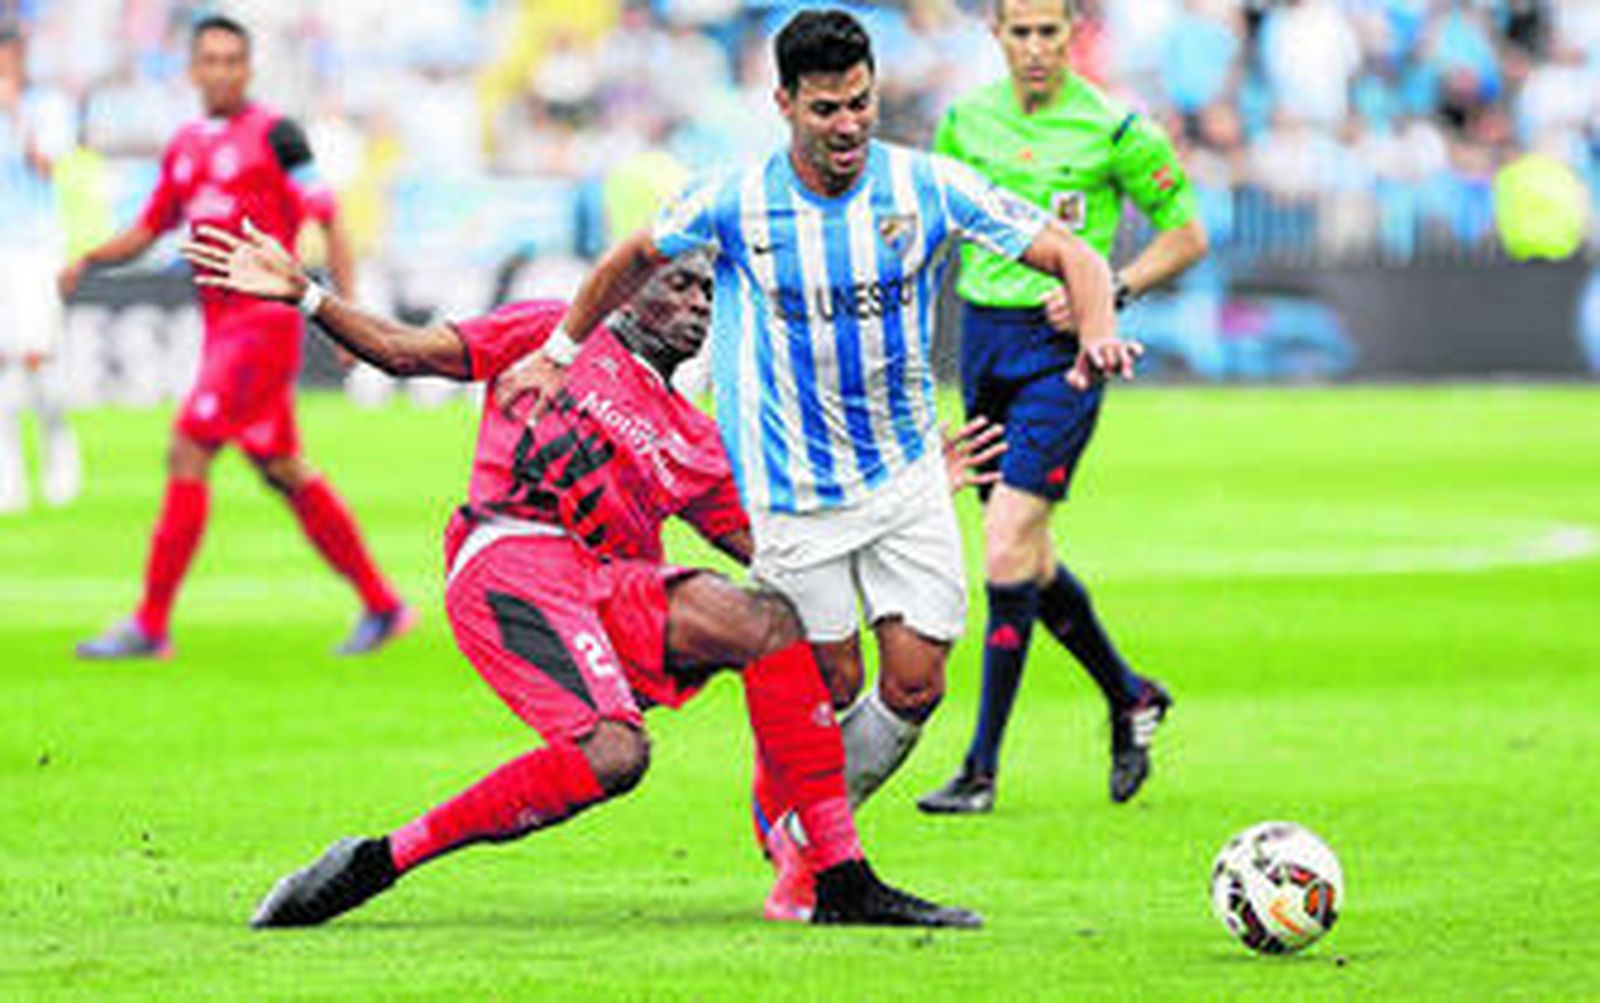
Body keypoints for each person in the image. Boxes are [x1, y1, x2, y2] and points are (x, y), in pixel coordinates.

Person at [492, 7, 1139, 917]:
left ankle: (798, 827)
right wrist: (561, 350)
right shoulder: (734, 198)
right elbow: (633, 254)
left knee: (915, 682)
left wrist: (1099, 331)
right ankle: (809, 842)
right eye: (828, 109)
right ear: (785, 103)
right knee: (828, 683)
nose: (849, 126)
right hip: (792, 494)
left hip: (907, 477)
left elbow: (1070, 250)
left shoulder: (927, 186)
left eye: (862, 104)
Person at [181, 220, 984, 929]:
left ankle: (826, 868)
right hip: (511, 555)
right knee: (614, 756)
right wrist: (308, 295)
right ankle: (379, 859)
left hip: (609, 586)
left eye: (711, 293)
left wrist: (900, 497)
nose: (700, 304)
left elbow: (789, 551)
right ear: (629, 289)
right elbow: (403, 351)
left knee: (771, 621)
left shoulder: (697, 442)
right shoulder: (550, 335)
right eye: (681, 284)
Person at [917, 0, 1209, 815]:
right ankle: (1129, 693)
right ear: (998, 36)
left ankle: (980, 769)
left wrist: (1109, 289)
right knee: (1028, 554)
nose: (1038, 47)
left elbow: (1186, 234)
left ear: (1073, 32)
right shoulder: (964, 124)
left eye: (1052, 31)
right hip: (981, 344)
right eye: (1023, 32)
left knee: (1005, 542)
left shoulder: (1115, 128)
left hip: (1064, 355)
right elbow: (936, 233)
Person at [63, 16, 408, 659]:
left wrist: (349, 314)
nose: (221, 71)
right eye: (210, 60)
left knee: (188, 446)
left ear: (248, 69)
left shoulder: (278, 136)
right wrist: (87, 260)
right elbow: (148, 229)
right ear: (192, 70)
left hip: (263, 325)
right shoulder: (186, 144)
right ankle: (383, 606)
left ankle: (150, 624)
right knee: (282, 469)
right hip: (220, 329)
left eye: (232, 60)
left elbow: (329, 220)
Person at [0, 26, 80, 514]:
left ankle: (58, 447)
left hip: (35, 249)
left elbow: (46, 165)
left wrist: (15, 113)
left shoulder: (47, 107)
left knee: (37, 359)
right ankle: (9, 476)